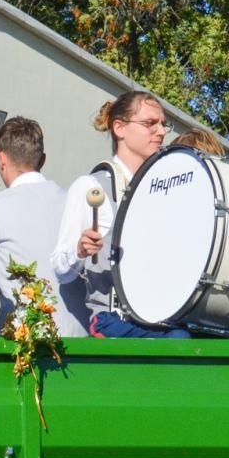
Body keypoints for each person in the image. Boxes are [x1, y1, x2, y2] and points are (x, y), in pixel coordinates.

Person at [49, 90, 188, 339]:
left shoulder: (165, 188)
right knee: (180, 341)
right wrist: (79, 251)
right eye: (150, 123)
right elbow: (59, 268)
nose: (161, 131)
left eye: (163, 124)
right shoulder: (92, 186)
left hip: (160, 319)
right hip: (113, 319)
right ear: (119, 128)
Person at [0, 116, 79, 334]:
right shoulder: (73, 203)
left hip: (25, 340)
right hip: (80, 338)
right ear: (42, 160)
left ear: (1, 159)